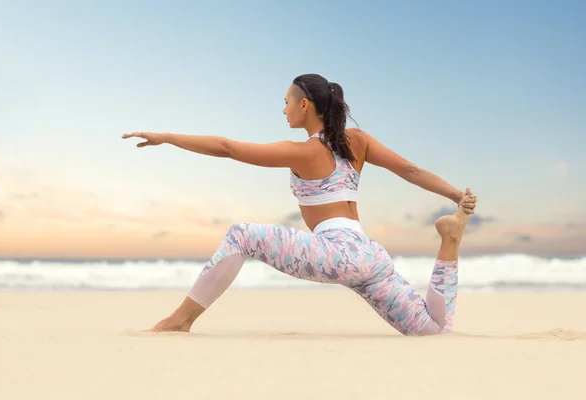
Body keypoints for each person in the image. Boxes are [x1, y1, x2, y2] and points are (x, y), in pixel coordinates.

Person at [122, 73, 477, 336]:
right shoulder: (358, 141)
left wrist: (166, 138)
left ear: (304, 105)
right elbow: (410, 170)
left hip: (336, 252)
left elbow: (228, 148)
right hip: (369, 255)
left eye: (287, 102)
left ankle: (178, 322)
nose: (283, 110)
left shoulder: (303, 151)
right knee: (434, 332)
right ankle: (450, 239)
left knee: (242, 235)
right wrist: (455, 196)